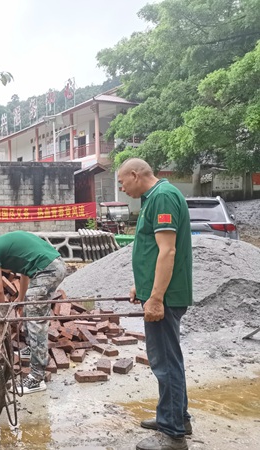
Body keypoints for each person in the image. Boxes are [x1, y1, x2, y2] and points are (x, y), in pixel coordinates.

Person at [118, 158, 192, 450]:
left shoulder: (162, 197)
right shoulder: (156, 197)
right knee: (170, 360)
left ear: (136, 175)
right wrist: (144, 286)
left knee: (164, 363)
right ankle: (176, 418)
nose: (123, 189)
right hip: (163, 292)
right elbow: (153, 251)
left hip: (168, 297)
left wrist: (157, 297)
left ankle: (173, 435)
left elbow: (167, 251)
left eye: (123, 183)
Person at [0, 231, 65, 394]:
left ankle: (37, 378)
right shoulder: (9, 242)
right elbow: (25, 272)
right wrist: (21, 299)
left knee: (35, 320)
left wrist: (2, 315)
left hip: (47, 270)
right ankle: (33, 348)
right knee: (32, 310)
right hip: (54, 265)